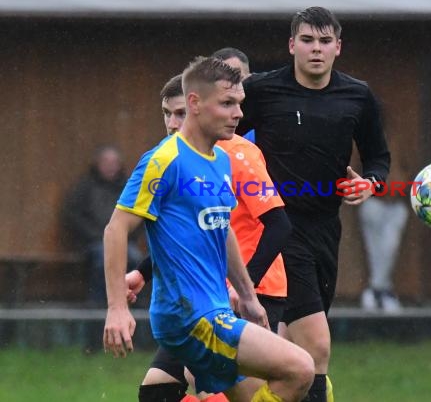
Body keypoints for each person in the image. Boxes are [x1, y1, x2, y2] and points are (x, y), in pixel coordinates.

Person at [103, 56, 314, 402]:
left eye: (240, 104)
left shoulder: (221, 160)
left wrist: (247, 295)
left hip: (215, 308)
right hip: (189, 317)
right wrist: (117, 308)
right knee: (300, 368)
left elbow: (223, 230)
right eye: (228, 103)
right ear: (195, 103)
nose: (239, 114)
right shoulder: (164, 159)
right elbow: (116, 229)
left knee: (257, 393)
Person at [237, 7, 391, 402]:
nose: (316, 49)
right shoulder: (261, 91)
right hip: (277, 229)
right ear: (292, 45)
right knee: (318, 347)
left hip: (325, 230)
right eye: (307, 40)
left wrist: (371, 183)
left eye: (325, 42)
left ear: (338, 47)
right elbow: (223, 137)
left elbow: (377, 157)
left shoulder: (357, 95)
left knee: (294, 349)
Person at [62, 144, 144, 306]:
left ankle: (133, 304)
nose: (110, 167)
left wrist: (125, 236)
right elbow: (74, 216)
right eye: (106, 162)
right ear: (97, 163)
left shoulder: (128, 187)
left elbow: (139, 215)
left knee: (136, 260)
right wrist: (97, 236)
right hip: (93, 243)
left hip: (125, 242)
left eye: (114, 163)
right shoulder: (85, 188)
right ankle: (99, 306)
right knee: (102, 260)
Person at [358, 197, 408, 312]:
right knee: (374, 252)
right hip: (373, 203)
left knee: (390, 247)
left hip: (396, 205)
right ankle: (382, 292)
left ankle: (375, 289)